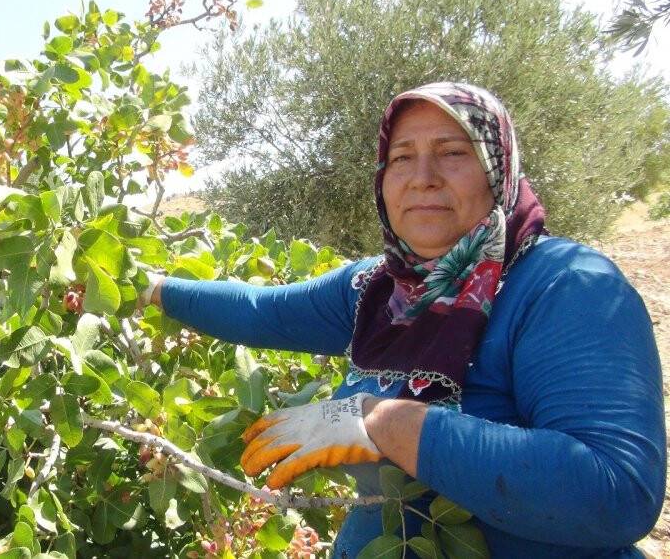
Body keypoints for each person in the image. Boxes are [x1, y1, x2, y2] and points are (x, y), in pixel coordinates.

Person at [140, 82, 665, 557]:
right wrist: (152, 290)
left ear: (498, 168)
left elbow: (615, 491)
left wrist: (382, 422)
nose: (422, 179)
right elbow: (263, 311)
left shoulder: (564, 286)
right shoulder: (380, 290)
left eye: (453, 153)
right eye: (401, 157)